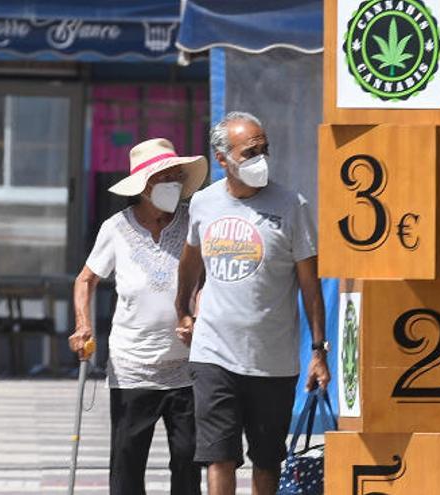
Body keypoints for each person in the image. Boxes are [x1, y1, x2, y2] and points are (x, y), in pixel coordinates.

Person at [175, 111, 330, 495]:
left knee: (267, 461)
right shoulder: (204, 204)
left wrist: (318, 350)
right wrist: (182, 308)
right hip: (214, 354)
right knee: (219, 456)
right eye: (250, 152)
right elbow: (190, 260)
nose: (261, 158)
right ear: (222, 159)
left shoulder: (293, 205)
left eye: (265, 149)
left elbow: (310, 285)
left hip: (272, 360)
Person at [68, 138, 207, 495]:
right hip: (133, 367)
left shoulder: (193, 223)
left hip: (186, 366)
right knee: (127, 462)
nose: (174, 185)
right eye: (166, 178)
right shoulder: (116, 228)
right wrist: (83, 325)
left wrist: (199, 313)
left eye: (178, 177)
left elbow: (207, 280)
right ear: (144, 187)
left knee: (189, 459)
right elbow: (86, 279)